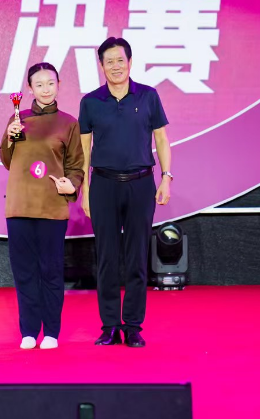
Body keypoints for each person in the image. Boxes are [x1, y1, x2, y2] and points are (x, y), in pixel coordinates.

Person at [78, 37, 172, 348]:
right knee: (106, 257)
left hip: (141, 184)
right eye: (109, 62)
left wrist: (166, 178)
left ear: (130, 62)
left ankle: (132, 326)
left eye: (120, 60)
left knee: (136, 257)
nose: (115, 66)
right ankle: (109, 326)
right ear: (101, 66)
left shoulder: (148, 96)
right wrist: (85, 190)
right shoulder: (91, 102)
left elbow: (161, 140)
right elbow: (85, 150)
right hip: (103, 185)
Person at [0, 62, 84, 350]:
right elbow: (8, 161)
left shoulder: (68, 123)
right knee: (24, 271)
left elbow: (76, 165)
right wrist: (9, 138)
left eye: (50, 83)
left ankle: (51, 331)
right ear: (30, 88)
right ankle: (28, 330)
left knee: (51, 271)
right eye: (39, 84)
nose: (45, 89)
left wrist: (72, 184)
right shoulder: (18, 119)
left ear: (59, 85)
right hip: (19, 205)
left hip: (51, 207)